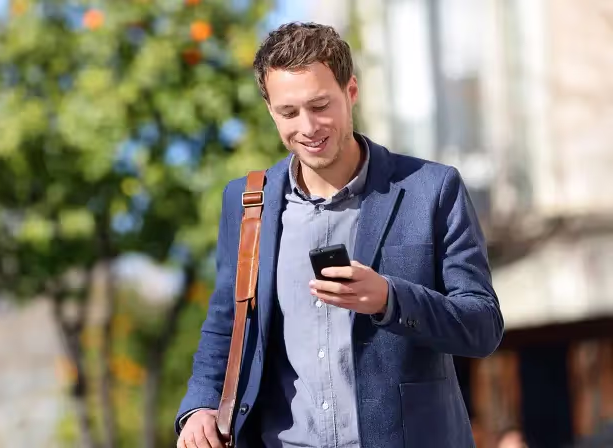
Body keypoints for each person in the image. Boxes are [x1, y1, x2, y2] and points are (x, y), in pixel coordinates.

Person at [175, 22, 504, 448]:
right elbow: (227, 322)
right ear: (270, 109)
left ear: (351, 91)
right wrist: (200, 405)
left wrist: (389, 299)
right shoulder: (246, 202)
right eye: (288, 112)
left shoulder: (432, 189)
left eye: (320, 105)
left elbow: (482, 326)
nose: (308, 126)